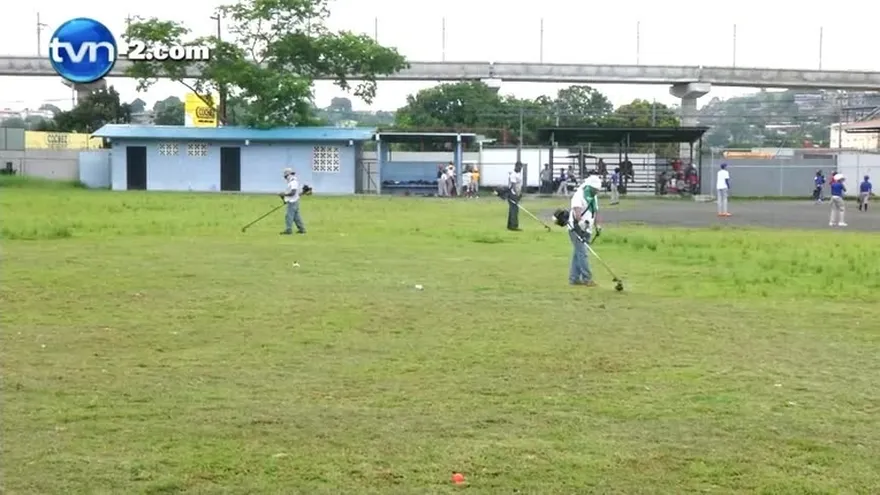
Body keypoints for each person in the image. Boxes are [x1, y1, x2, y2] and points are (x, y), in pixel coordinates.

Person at [567, 175, 603, 286]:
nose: (596, 192)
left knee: (578, 253)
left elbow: (595, 212)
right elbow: (577, 213)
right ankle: (587, 278)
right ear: (590, 187)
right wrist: (582, 224)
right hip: (576, 229)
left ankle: (574, 278)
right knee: (583, 253)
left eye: (598, 190)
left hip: (588, 229)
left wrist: (598, 226)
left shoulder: (594, 197)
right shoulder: (578, 196)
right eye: (595, 190)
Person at [279, 168, 305, 235]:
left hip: (292, 202)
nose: (285, 178)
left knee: (288, 216)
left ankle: (288, 230)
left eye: (285, 176)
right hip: (294, 201)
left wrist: (284, 194)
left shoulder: (293, 182)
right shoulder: (292, 181)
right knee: (296, 217)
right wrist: (284, 198)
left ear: (288, 175)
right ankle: (302, 229)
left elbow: (293, 193)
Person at [507, 162, 523, 231]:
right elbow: (513, 186)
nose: (520, 169)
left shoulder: (518, 174)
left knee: (513, 209)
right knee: (514, 210)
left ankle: (510, 225)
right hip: (512, 194)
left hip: (516, 194)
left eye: (521, 168)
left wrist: (520, 194)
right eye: (519, 167)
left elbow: (518, 185)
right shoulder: (513, 175)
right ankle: (514, 226)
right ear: (516, 166)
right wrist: (516, 195)